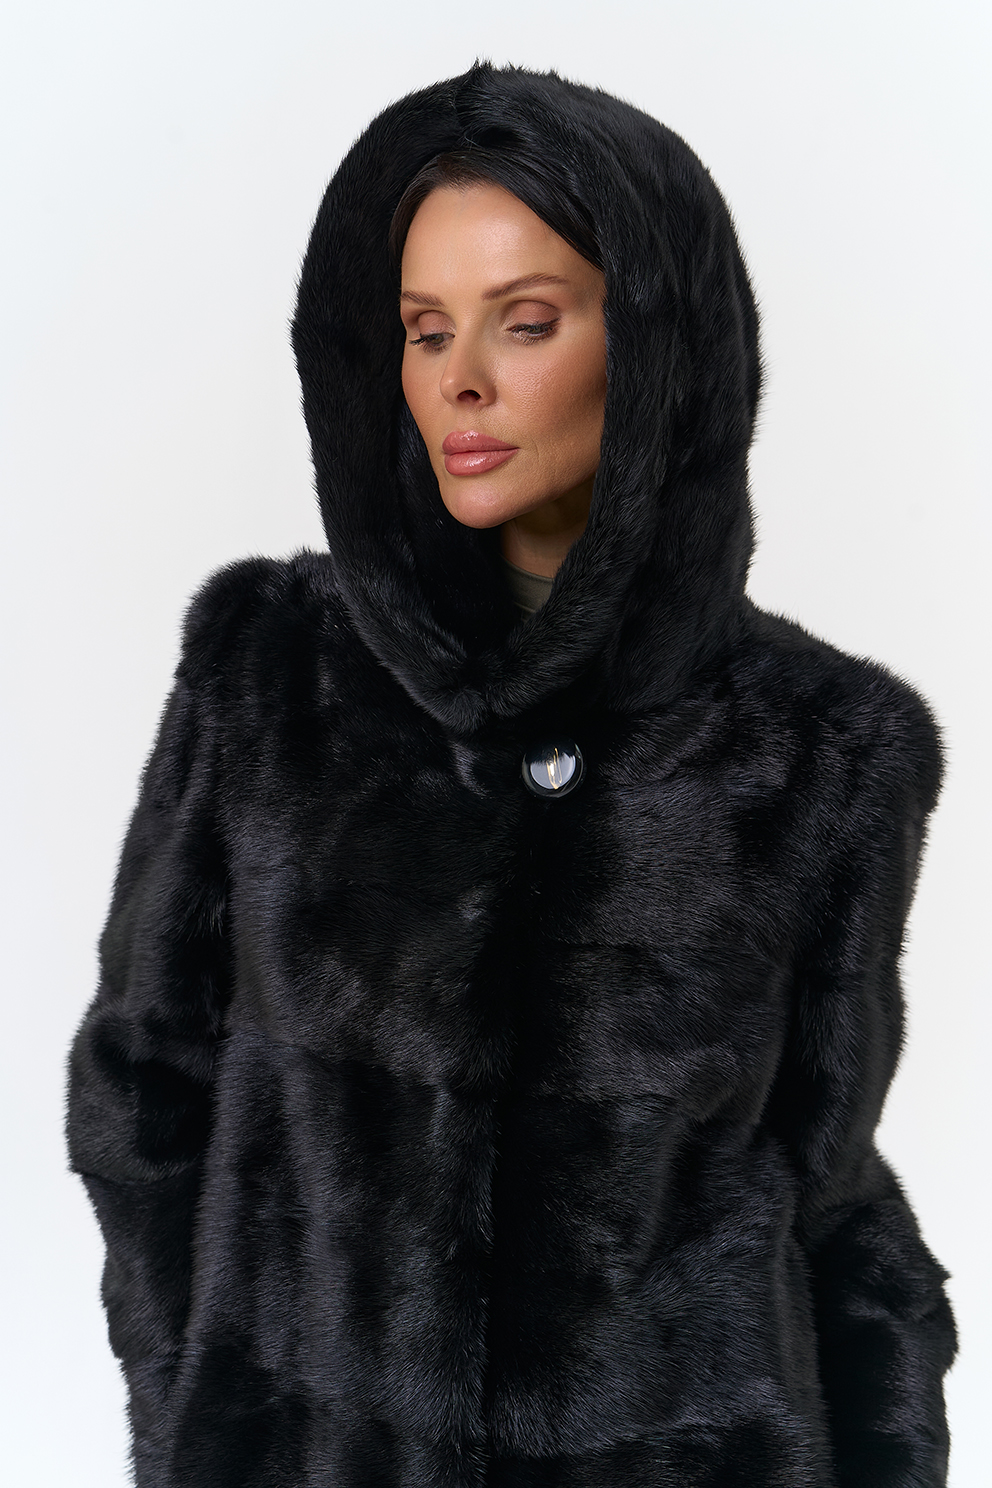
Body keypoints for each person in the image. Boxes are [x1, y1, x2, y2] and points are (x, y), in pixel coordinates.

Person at [66, 61, 957, 1488]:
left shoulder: (824, 749)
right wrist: (198, 1425)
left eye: (525, 322)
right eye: (424, 331)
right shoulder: (268, 673)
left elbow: (831, 1193)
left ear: (658, 345)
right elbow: (141, 1095)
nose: (460, 379)